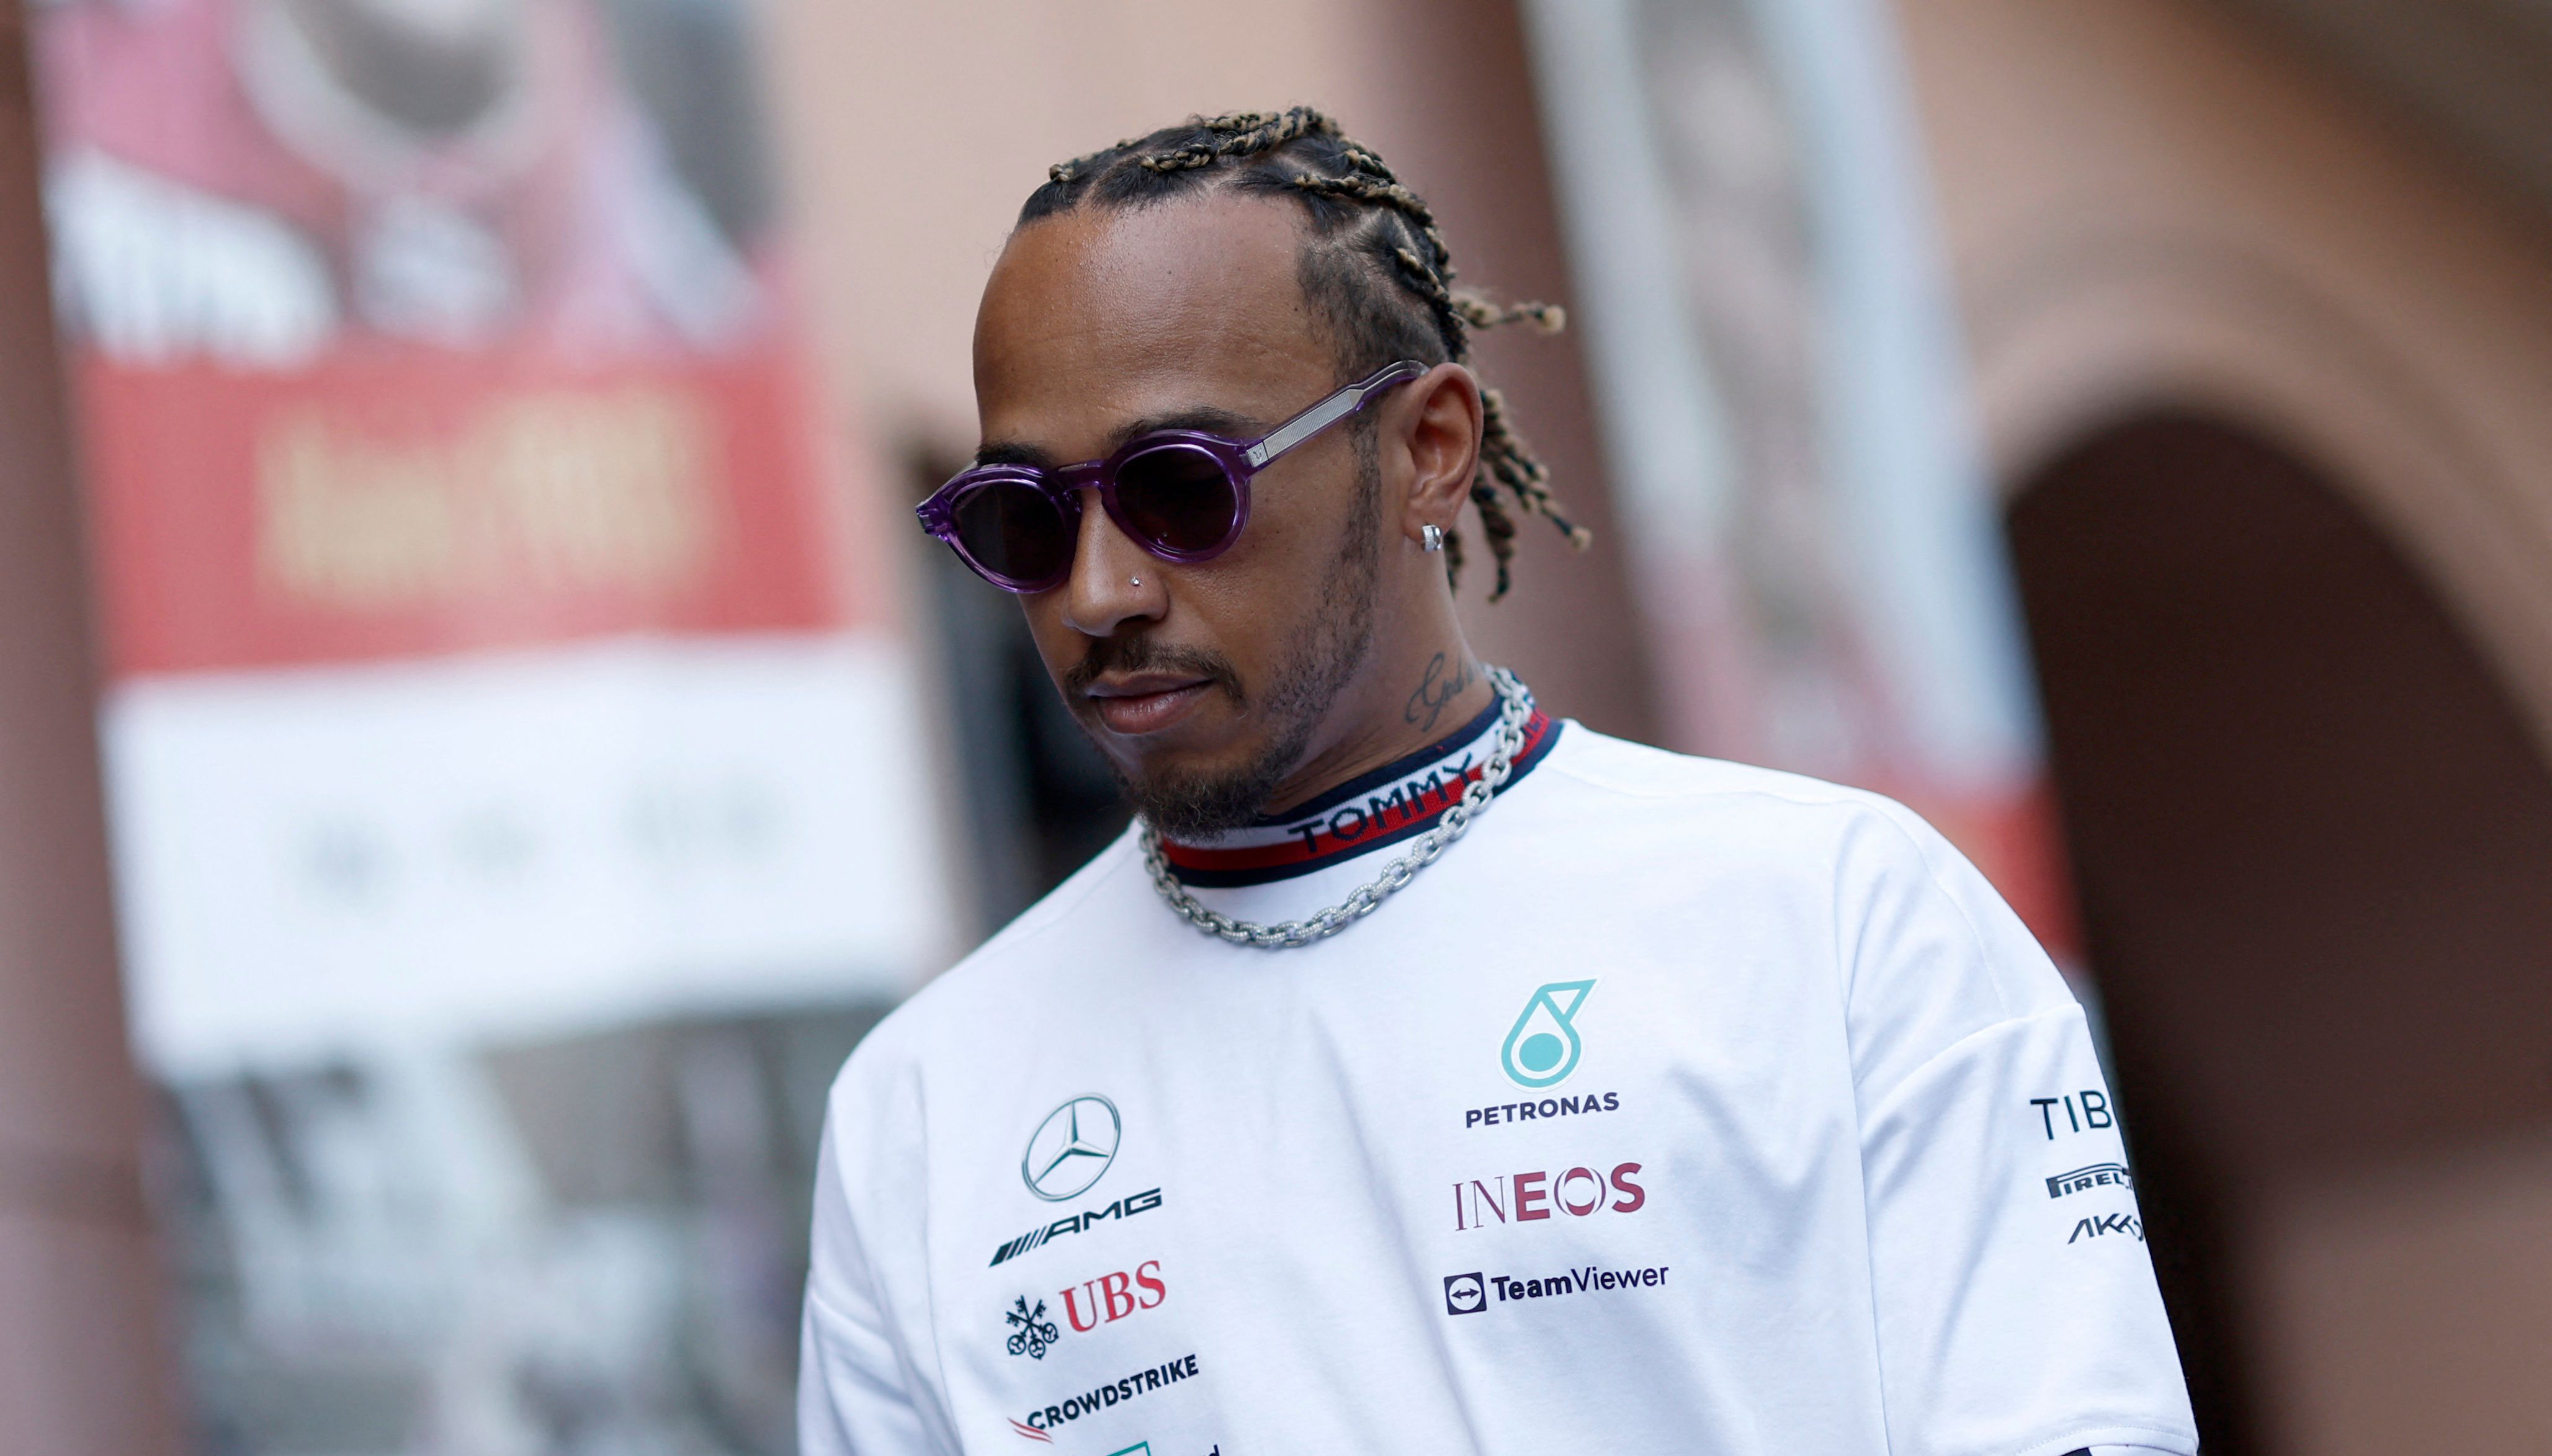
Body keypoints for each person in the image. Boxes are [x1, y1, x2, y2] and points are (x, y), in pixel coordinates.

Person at [800, 107, 2196, 1456]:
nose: (1098, 590)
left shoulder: (1837, 919)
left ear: (1426, 449)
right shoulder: (919, 1111)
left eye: (1178, 489)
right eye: (1020, 520)